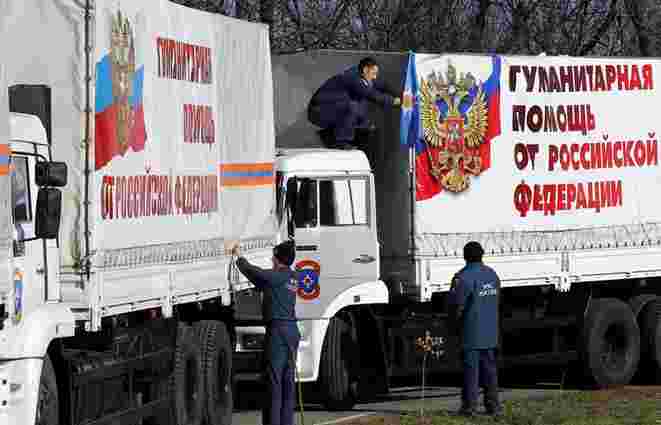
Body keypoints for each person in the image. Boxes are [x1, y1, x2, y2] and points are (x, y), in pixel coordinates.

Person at [230, 239, 300, 425]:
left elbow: (254, 272)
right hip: (291, 331)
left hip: (278, 331)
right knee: (287, 382)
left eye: (273, 257)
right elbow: (263, 282)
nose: (271, 259)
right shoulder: (293, 277)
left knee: (274, 381)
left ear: (278, 259)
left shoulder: (277, 277)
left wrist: (239, 257)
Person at [448, 241, 503, 417]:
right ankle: (494, 407)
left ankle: (469, 408)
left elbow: (456, 305)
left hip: (471, 332)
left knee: (471, 372)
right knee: (490, 372)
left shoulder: (463, 278)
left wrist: (452, 326)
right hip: (490, 332)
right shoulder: (492, 275)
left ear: (465, 256)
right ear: (482, 254)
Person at [308, 56, 401, 150]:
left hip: (333, 108)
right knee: (353, 107)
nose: (375, 77)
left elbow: (383, 85)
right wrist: (393, 101)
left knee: (360, 116)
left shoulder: (364, 75)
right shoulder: (352, 78)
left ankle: (327, 135)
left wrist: (401, 96)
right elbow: (371, 95)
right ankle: (340, 142)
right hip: (318, 111)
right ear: (365, 70)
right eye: (373, 73)